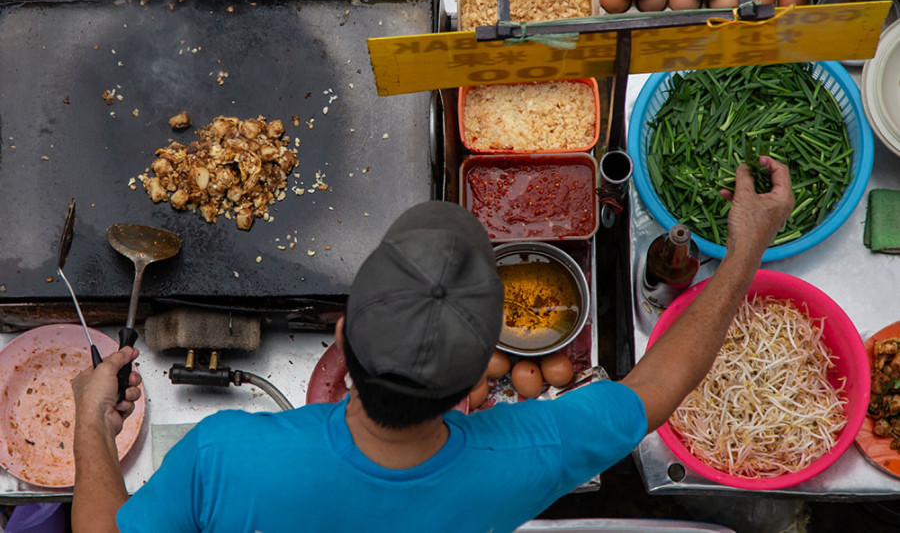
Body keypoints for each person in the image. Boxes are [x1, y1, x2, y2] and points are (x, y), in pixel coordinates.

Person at [72, 156, 793, 533]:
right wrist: (742, 253)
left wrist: (89, 423)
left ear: (344, 336)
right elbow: (663, 382)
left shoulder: (226, 455)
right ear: (478, 387)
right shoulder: (520, 456)